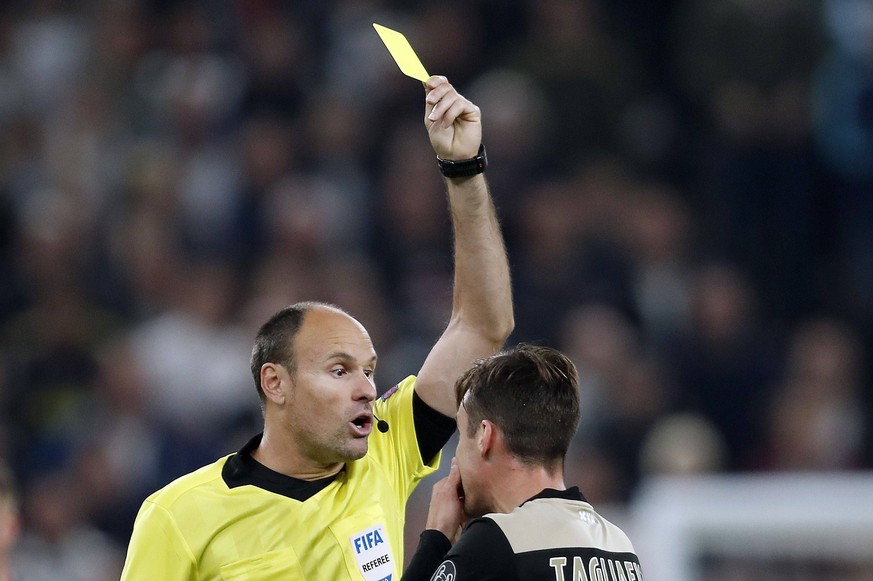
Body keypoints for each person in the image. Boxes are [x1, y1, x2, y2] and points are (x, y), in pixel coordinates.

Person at [120, 75, 514, 580]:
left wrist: (463, 171)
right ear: (275, 382)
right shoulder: (178, 515)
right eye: (339, 370)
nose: (367, 389)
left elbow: (483, 327)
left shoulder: (385, 453)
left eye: (369, 372)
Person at [403, 344, 643, 580]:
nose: (456, 458)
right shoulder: (620, 546)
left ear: (485, 437)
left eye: (462, 435)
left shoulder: (495, 540)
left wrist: (436, 538)